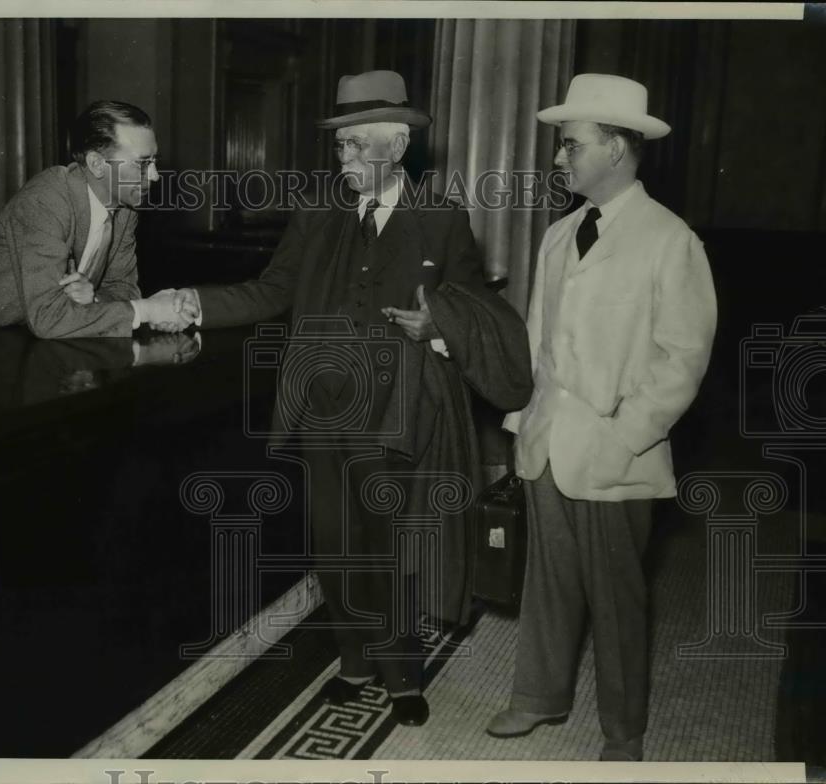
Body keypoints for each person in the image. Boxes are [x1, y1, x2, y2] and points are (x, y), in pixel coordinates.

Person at [170, 70, 532, 726]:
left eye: (353, 146)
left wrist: (440, 325)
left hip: (397, 413)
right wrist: (186, 303)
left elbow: (478, 304)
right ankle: (353, 661)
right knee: (336, 546)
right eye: (338, 147)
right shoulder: (316, 213)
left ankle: (400, 673)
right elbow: (269, 291)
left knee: (392, 546)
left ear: (392, 148)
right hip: (322, 411)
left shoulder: (441, 219)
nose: (341, 159)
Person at [486, 74, 718, 761]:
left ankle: (624, 731)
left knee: (617, 599)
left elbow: (683, 359)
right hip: (548, 444)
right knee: (547, 581)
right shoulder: (558, 237)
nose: (560, 159)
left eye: (571, 145)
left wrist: (626, 437)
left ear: (617, 149)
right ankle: (538, 696)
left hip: (618, 453)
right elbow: (536, 343)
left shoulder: (671, 241)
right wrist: (517, 428)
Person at [0, 100, 195, 341]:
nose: (156, 176)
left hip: (22, 342)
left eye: (154, 162)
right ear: (96, 164)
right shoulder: (47, 198)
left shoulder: (125, 208)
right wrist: (146, 311)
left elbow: (124, 288)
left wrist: (94, 298)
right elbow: (48, 316)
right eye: (142, 163)